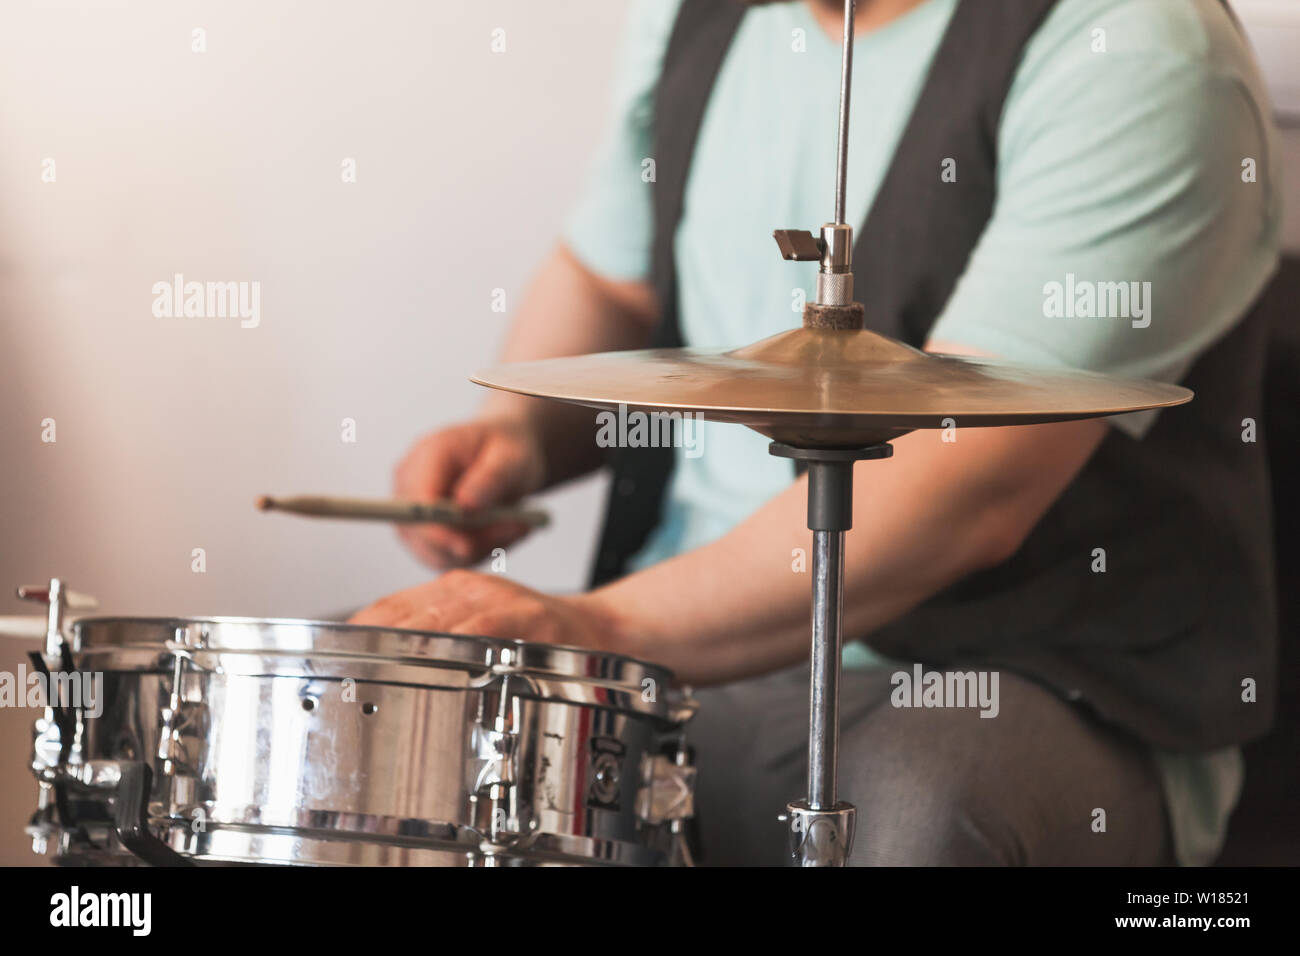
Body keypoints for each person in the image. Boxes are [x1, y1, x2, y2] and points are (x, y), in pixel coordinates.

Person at [351, 0, 1282, 865]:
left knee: (915, 799)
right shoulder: (694, 15)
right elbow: (614, 280)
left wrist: (590, 630)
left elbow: (970, 488)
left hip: (1019, 673)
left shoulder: (1138, 43)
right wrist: (517, 433)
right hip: (671, 641)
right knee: (359, 715)